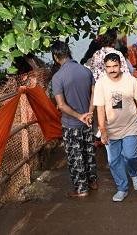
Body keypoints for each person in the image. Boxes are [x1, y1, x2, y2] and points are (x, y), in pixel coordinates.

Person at [94, 53, 137, 202]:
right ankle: (122, 188)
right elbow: (99, 108)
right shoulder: (101, 83)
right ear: (104, 67)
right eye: (108, 67)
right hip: (110, 129)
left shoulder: (130, 81)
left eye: (115, 66)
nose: (112, 70)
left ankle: (133, 172)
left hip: (130, 126)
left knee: (130, 155)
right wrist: (103, 130)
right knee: (114, 161)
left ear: (120, 65)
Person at [51, 41, 97, 197]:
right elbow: (94, 95)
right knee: (89, 153)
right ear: (69, 52)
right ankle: (93, 182)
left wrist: (79, 116)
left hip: (71, 124)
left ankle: (81, 189)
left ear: (56, 57)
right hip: (88, 122)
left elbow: (61, 105)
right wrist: (89, 113)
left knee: (75, 156)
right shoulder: (86, 71)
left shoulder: (58, 77)